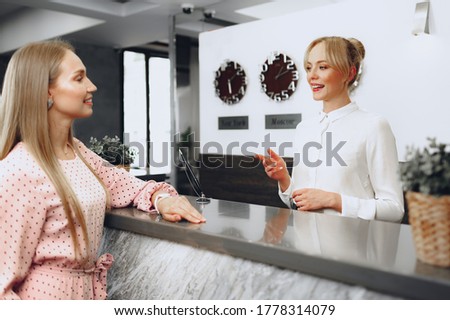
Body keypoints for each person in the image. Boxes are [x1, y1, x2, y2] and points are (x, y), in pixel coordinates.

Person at [0, 39, 205, 300]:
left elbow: (127, 186)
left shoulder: (78, 152)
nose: (92, 86)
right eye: (79, 79)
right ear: (46, 92)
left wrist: (161, 199)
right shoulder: (18, 171)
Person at [257, 36, 404, 222]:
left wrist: (334, 200)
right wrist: (284, 179)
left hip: (350, 249)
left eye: (323, 67)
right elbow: (299, 203)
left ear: (349, 74)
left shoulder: (374, 126)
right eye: (309, 67)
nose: (312, 76)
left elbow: (394, 209)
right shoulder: (304, 128)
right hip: (303, 248)